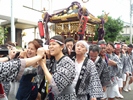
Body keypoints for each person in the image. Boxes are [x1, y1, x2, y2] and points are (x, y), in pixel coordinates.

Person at [39, 35, 76, 100]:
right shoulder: (53, 60)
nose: (51, 46)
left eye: (54, 44)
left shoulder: (67, 62)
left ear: (62, 47)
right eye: (49, 45)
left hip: (65, 97)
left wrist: (43, 66)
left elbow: (56, 85)